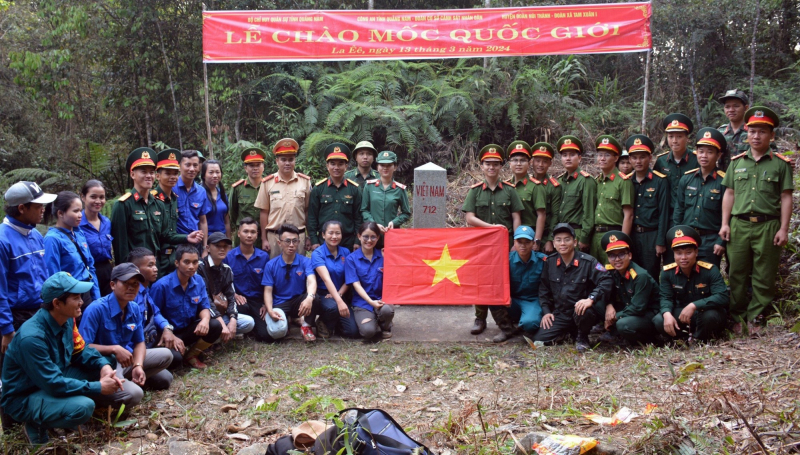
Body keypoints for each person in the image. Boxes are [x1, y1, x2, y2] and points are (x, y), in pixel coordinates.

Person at [0, 272, 122, 445]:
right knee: (83, 407)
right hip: (26, 396)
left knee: (107, 361)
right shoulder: (32, 338)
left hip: (53, 379)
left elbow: (80, 352)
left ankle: (56, 411)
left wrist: (103, 366)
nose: (81, 302)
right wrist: (98, 387)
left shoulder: (65, 321)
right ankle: (36, 423)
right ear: (57, 303)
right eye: (76, 298)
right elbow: (53, 383)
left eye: (81, 297)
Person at [720, 106, 793, 334]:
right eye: (752, 131)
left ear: (771, 135)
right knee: (737, 273)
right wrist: (725, 223)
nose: (756, 136)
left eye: (762, 131)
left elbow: (786, 197)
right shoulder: (737, 162)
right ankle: (737, 318)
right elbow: (729, 193)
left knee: (764, 274)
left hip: (768, 225)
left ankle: (756, 318)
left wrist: (783, 228)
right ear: (746, 133)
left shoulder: (780, 164)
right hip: (739, 225)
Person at [79, 264, 174, 409]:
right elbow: (83, 347)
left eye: (135, 284)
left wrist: (138, 365)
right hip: (104, 364)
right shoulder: (96, 309)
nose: (131, 288)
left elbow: (139, 342)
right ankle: (99, 396)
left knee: (166, 361)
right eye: (126, 283)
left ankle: (128, 378)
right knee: (135, 394)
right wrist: (114, 349)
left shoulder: (134, 307)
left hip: (126, 359)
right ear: (112, 285)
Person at [462, 144, 523, 337]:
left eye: (495, 164)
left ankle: (506, 318)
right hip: (481, 246)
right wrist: (492, 228)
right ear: (481, 166)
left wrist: (516, 241)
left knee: (504, 280)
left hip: (506, 245)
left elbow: (516, 217)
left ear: (501, 167)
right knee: (481, 280)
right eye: (488, 164)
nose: (491, 167)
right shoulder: (475, 191)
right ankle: (480, 318)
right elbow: (469, 218)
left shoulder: (510, 190)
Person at [111, 148, 202, 273]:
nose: (148, 176)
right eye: (143, 172)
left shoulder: (157, 204)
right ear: (133, 174)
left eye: (151, 172)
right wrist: (126, 274)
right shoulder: (123, 205)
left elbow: (165, 235)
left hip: (156, 266)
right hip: (135, 269)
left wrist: (187, 237)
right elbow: (120, 247)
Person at [534, 223, 612, 352]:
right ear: (554, 244)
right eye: (558, 240)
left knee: (583, 311)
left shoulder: (588, 261)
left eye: (567, 239)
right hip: (561, 314)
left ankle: (583, 336)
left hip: (582, 312)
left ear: (575, 242)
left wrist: (591, 299)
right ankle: (568, 333)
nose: (562, 243)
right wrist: (547, 311)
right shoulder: (550, 262)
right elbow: (544, 289)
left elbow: (606, 279)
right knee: (539, 340)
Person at [0, 181, 56, 353]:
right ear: (22, 208)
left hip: (38, 313)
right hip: (16, 317)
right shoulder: (3, 240)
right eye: (38, 205)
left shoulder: (36, 234)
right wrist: (7, 330)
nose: (43, 209)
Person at [150, 244, 222, 369]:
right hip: (167, 333)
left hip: (188, 329)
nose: (191, 266)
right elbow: (153, 315)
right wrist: (169, 333)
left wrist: (205, 320)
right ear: (177, 263)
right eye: (186, 262)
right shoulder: (161, 286)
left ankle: (192, 355)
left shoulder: (198, 280)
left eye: (195, 262)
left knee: (215, 326)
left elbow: (204, 305)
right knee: (175, 360)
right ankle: (176, 353)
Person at [656, 226, 728, 342]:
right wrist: (666, 314)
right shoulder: (667, 273)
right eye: (679, 253)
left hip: (704, 312)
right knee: (659, 319)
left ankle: (699, 339)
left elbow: (722, 296)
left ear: (696, 252)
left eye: (688, 253)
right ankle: (681, 339)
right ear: (673, 255)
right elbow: (665, 297)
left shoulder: (710, 270)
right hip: (682, 314)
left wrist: (694, 305)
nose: (683, 257)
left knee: (710, 317)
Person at [673, 128, 728, 267]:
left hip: (711, 240)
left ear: (718, 155)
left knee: (708, 279)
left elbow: (727, 216)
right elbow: (679, 210)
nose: (704, 156)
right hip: (687, 238)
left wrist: (721, 242)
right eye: (701, 151)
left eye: (710, 152)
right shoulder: (687, 179)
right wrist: (677, 236)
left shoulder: (724, 182)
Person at [262, 224, 325, 342]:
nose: (291, 245)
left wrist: (309, 298)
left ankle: (306, 326)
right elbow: (268, 291)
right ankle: (289, 321)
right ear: (279, 243)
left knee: (315, 298)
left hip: (298, 302)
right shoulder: (271, 265)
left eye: (295, 241)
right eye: (287, 241)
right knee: (277, 332)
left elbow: (312, 281)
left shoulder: (305, 261)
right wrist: (270, 310)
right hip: (280, 303)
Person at [128, 247, 182, 380]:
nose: (156, 268)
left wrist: (167, 328)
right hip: (134, 349)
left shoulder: (145, 290)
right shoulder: (132, 295)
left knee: (176, 357)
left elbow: (156, 312)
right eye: (150, 265)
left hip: (149, 340)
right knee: (167, 375)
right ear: (136, 269)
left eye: (155, 264)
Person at [253, 138, 312, 258]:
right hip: (274, 238)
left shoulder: (305, 182)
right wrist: (264, 239)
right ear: (277, 161)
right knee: (275, 272)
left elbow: (307, 211)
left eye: (291, 159)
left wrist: (308, 236)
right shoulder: (267, 183)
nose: (287, 163)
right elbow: (264, 212)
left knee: (298, 272)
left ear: (295, 160)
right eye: (283, 159)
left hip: (298, 238)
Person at [43, 191, 101, 309]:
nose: (80, 215)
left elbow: (90, 267)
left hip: (87, 292)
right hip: (69, 297)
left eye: (81, 210)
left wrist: (97, 297)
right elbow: (53, 276)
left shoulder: (79, 234)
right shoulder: (52, 239)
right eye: (75, 211)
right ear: (60, 213)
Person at [600, 231, 660, 345]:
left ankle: (650, 340)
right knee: (598, 303)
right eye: (612, 255)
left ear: (630, 255)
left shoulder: (640, 276)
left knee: (623, 324)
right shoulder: (612, 272)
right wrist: (609, 305)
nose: (617, 259)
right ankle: (615, 334)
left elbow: (638, 308)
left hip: (648, 313)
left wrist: (614, 317)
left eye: (621, 254)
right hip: (629, 308)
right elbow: (607, 292)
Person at [625, 134, 670, 280]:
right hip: (632, 235)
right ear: (630, 159)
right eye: (634, 157)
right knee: (632, 273)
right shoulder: (626, 182)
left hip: (651, 235)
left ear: (650, 158)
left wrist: (660, 242)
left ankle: (652, 303)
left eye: (642, 157)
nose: (638, 161)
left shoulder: (660, 181)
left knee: (651, 274)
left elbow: (664, 213)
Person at [197, 232, 255, 342]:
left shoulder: (226, 269)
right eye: (218, 246)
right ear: (208, 248)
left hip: (221, 312)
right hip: (203, 315)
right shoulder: (200, 267)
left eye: (225, 246)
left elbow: (231, 296)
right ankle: (213, 337)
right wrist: (222, 324)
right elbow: (204, 300)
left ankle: (218, 337)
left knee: (249, 322)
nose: (222, 249)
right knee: (215, 325)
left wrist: (233, 319)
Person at [309, 143, 363, 252]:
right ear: (327, 166)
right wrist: (314, 240)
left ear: (346, 166)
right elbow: (312, 217)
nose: (336, 167)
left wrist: (357, 241)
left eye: (340, 164)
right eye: (332, 164)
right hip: (323, 241)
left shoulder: (354, 189)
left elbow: (359, 218)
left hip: (348, 241)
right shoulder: (319, 189)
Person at [224, 217, 271, 343]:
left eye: (253, 232)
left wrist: (266, 304)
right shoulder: (229, 257)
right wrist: (234, 295)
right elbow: (222, 283)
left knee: (266, 336)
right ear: (238, 234)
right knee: (242, 307)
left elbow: (268, 284)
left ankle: (253, 327)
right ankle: (244, 328)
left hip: (257, 301)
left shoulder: (264, 257)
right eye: (245, 231)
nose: (249, 235)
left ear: (257, 235)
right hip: (238, 300)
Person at [345, 222, 395, 339]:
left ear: (378, 238)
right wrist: (370, 302)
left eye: (373, 237)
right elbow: (355, 284)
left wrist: (387, 260)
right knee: (368, 332)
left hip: (382, 300)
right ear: (359, 236)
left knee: (387, 310)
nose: (369, 240)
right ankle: (375, 321)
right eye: (365, 236)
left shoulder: (383, 255)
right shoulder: (351, 259)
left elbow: (394, 278)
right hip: (362, 303)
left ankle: (385, 325)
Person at [310, 220, 359, 338]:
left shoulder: (345, 252)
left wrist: (339, 295)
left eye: (338, 233)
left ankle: (333, 323)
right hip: (323, 294)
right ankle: (322, 321)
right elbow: (326, 279)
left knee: (352, 332)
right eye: (330, 233)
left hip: (340, 293)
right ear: (323, 235)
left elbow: (349, 277)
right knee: (333, 308)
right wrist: (339, 301)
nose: (334, 236)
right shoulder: (317, 254)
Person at [590, 135, 634, 264]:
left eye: (607, 155)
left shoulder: (623, 182)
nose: (602, 158)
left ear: (616, 158)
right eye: (600, 155)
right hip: (595, 236)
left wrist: (623, 242)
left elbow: (629, 215)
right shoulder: (597, 181)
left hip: (614, 235)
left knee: (613, 274)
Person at [500, 225, 547, 343]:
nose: (523, 245)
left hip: (532, 300)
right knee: (493, 298)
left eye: (527, 242)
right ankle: (506, 329)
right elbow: (497, 281)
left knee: (530, 323)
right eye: (519, 242)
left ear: (533, 244)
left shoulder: (543, 261)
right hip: (512, 300)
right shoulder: (506, 260)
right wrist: (505, 295)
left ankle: (524, 323)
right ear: (514, 243)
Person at [360, 150, 411, 249]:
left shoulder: (399, 189)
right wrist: (374, 224)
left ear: (395, 167)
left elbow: (406, 213)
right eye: (382, 165)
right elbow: (364, 210)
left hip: (392, 235)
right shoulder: (369, 186)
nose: (385, 168)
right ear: (377, 167)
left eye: (389, 165)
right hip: (371, 236)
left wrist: (394, 222)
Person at [555, 136, 596, 254]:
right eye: (564, 155)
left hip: (576, 233)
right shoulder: (559, 181)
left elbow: (589, 212)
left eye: (572, 155)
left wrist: (584, 238)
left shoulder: (585, 180)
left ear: (579, 158)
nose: (568, 158)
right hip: (560, 233)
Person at [152, 148, 187, 276]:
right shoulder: (153, 199)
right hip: (158, 256)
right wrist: (187, 238)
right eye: (168, 173)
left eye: (175, 173)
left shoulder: (174, 199)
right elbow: (161, 233)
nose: (172, 177)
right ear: (158, 176)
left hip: (173, 255)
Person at [654, 113, 698, 214]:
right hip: (667, 212)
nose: (674, 141)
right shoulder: (661, 161)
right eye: (671, 136)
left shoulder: (696, 160)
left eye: (679, 136)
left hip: (690, 211)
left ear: (687, 138)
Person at [506, 141, 546, 251]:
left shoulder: (535, 186)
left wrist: (537, 240)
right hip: (508, 236)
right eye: (515, 160)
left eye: (523, 160)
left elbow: (541, 215)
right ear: (510, 164)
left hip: (529, 236)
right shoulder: (505, 186)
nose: (518, 164)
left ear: (529, 164)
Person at [80, 180, 114, 296]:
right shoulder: (77, 224)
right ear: (83, 197)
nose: (98, 201)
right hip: (86, 272)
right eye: (93, 197)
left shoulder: (106, 222)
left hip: (106, 271)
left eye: (102, 197)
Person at [175, 150, 211, 254]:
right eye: (187, 165)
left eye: (195, 165)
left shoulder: (201, 191)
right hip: (176, 243)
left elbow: (203, 221)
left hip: (196, 244)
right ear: (180, 166)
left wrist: (205, 248)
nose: (192, 169)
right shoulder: (172, 188)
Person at [230, 147, 266, 248]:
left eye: (258, 165)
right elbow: (233, 213)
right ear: (246, 168)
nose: (255, 168)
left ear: (263, 167)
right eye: (251, 165)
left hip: (263, 236)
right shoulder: (238, 188)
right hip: (244, 236)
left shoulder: (269, 186)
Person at [530, 142, 562, 254]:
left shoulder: (553, 186)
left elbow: (555, 215)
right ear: (531, 162)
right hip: (526, 235)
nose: (540, 165)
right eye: (537, 161)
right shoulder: (526, 184)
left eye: (545, 161)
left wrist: (550, 239)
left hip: (544, 236)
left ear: (550, 163)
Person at [717, 89, 750, 170]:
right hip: (723, 179)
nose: (731, 110)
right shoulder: (720, 132)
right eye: (727, 107)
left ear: (746, 108)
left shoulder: (754, 132)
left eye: (736, 106)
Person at [201, 159, 231, 237]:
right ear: (204, 175)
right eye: (211, 172)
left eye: (217, 172)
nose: (215, 175)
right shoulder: (199, 194)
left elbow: (226, 221)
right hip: (206, 238)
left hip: (222, 238)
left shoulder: (222, 194)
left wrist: (229, 241)